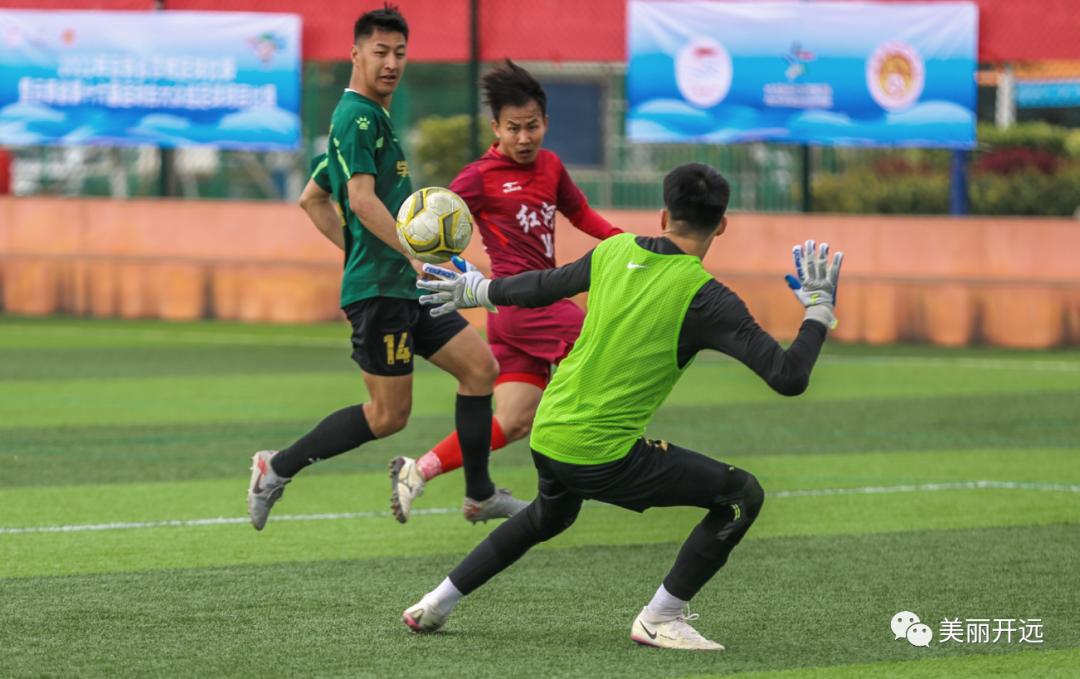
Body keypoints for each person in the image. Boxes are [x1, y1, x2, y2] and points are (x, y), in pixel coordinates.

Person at [400, 163, 844, 650]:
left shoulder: (614, 250)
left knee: (549, 516)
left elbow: (544, 285)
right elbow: (788, 377)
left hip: (550, 431)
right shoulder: (707, 298)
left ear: (662, 215)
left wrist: (479, 290)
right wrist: (818, 310)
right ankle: (661, 617)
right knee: (742, 496)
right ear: (722, 224)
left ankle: (435, 603)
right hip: (599, 452)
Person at [247, 4, 520, 531]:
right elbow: (361, 199)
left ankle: (480, 494)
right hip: (383, 292)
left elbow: (312, 197)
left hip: (402, 284)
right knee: (388, 417)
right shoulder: (356, 117)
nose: (392, 62)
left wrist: (364, 253)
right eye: (380, 52)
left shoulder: (372, 119)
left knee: (481, 369)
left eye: (399, 52)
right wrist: (408, 252)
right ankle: (275, 468)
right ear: (355, 54)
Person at [389, 59, 623, 524]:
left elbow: (581, 215)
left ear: (545, 124)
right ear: (495, 127)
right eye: (512, 128)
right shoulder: (478, 176)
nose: (523, 138)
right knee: (606, 341)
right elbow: (434, 221)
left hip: (522, 310)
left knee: (514, 419)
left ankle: (419, 469)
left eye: (531, 126)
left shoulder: (551, 166)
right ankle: (609, 465)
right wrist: (439, 266)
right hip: (525, 305)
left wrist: (625, 241)